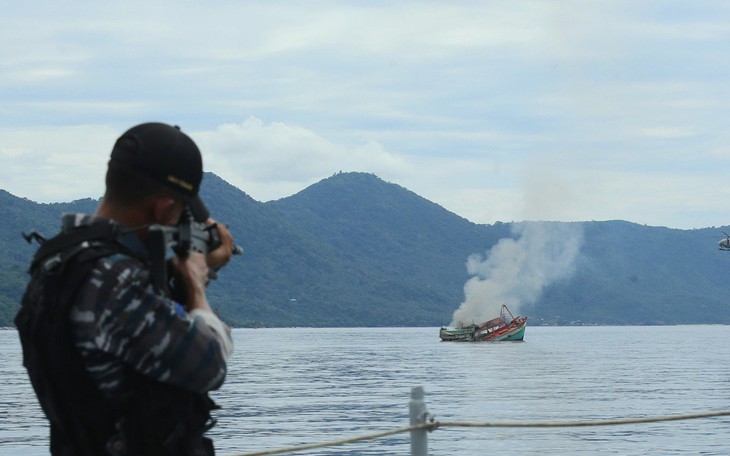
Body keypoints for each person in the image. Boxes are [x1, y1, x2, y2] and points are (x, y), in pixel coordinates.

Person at [15, 122, 236, 455]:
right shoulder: (116, 279)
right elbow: (209, 363)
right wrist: (194, 282)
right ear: (164, 208)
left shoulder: (56, 261)